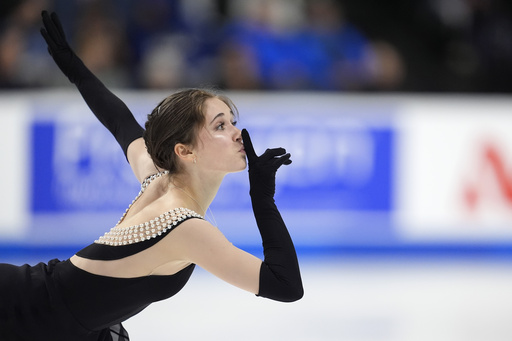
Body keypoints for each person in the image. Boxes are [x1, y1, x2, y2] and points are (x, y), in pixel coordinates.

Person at [0, 11, 303, 341]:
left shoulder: (158, 179)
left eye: (231, 121)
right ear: (184, 151)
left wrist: (72, 65)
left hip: (58, 318)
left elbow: (119, 121)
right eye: (220, 125)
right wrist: (262, 198)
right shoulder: (186, 227)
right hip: (23, 314)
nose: (237, 133)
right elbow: (285, 286)